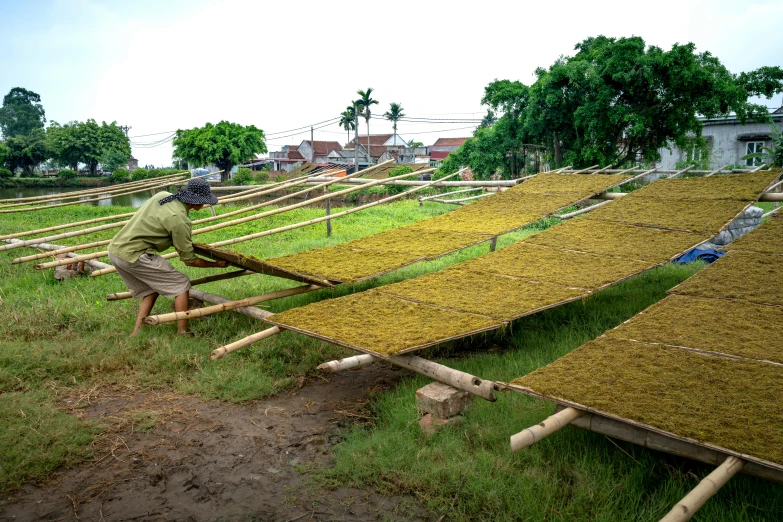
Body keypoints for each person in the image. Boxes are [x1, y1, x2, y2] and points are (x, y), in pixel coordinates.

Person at [108, 177, 229, 336]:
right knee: (181, 284)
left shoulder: (163, 196)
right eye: (205, 201)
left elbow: (156, 225)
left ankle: (137, 332)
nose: (205, 204)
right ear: (196, 201)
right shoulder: (180, 220)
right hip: (134, 255)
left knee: (150, 290)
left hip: (115, 251)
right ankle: (182, 331)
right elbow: (189, 260)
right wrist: (216, 264)